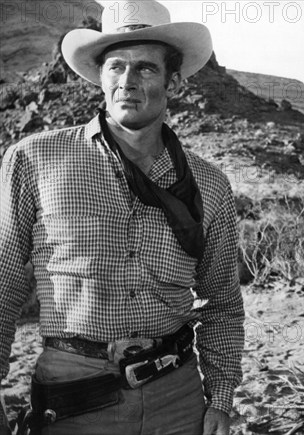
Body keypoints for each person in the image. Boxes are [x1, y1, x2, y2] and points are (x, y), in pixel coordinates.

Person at [0, 1, 244, 434]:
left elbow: (222, 302)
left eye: (145, 68)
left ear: (175, 80)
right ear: (100, 77)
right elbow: (3, 282)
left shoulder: (209, 183)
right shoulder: (36, 159)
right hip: (73, 394)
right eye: (116, 67)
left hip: (177, 396)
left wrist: (220, 399)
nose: (127, 81)